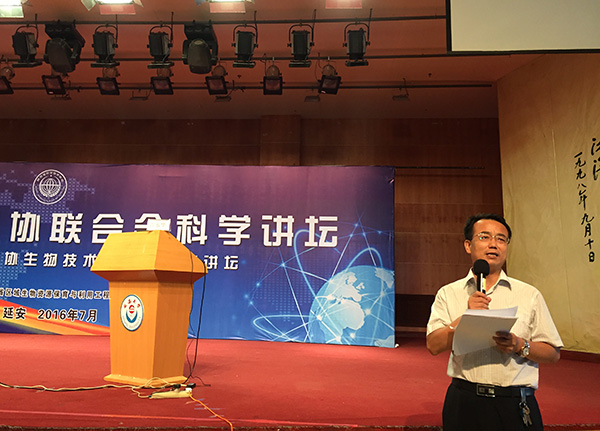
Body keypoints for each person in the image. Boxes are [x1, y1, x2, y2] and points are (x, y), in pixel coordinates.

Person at [426, 214, 563, 431]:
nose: (493, 244)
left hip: (514, 404)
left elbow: (553, 353)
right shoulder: (448, 293)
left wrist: (519, 345)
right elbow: (433, 345)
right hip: (464, 402)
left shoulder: (529, 294)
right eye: (484, 237)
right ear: (468, 245)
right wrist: (465, 318)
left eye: (501, 239)